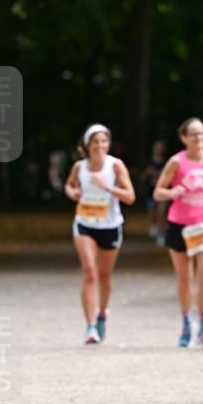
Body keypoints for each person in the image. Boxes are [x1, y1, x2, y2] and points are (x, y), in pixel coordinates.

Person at [153, 117, 203, 348]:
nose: (199, 138)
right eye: (194, 134)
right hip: (179, 225)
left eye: (201, 133)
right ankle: (187, 323)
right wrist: (171, 192)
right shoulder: (175, 163)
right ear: (184, 138)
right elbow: (158, 192)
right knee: (185, 278)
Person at [65, 123, 135, 344]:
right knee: (89, 272)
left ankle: (102, 312)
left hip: (110, 225)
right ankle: (90, 326)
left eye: (104, 141)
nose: (100, 145)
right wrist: (73, 192)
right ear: (88, 145)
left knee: (104, 276)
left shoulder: (115, 166)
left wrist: (108, 187)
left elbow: (130, 197)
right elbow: (69, 185)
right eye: (96, 141)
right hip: (85, 223)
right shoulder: (80, 167)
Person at [140, 139, 168, 244]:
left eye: (160, 148)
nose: (158, 150)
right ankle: (154, 226)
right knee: (153, 215)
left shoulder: (167, 163)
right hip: (150, 193)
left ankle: (161, 235)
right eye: (157, 147)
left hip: (162, 193)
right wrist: (148, 173)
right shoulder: (148, 162)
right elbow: (142, 178)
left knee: (161, 214)